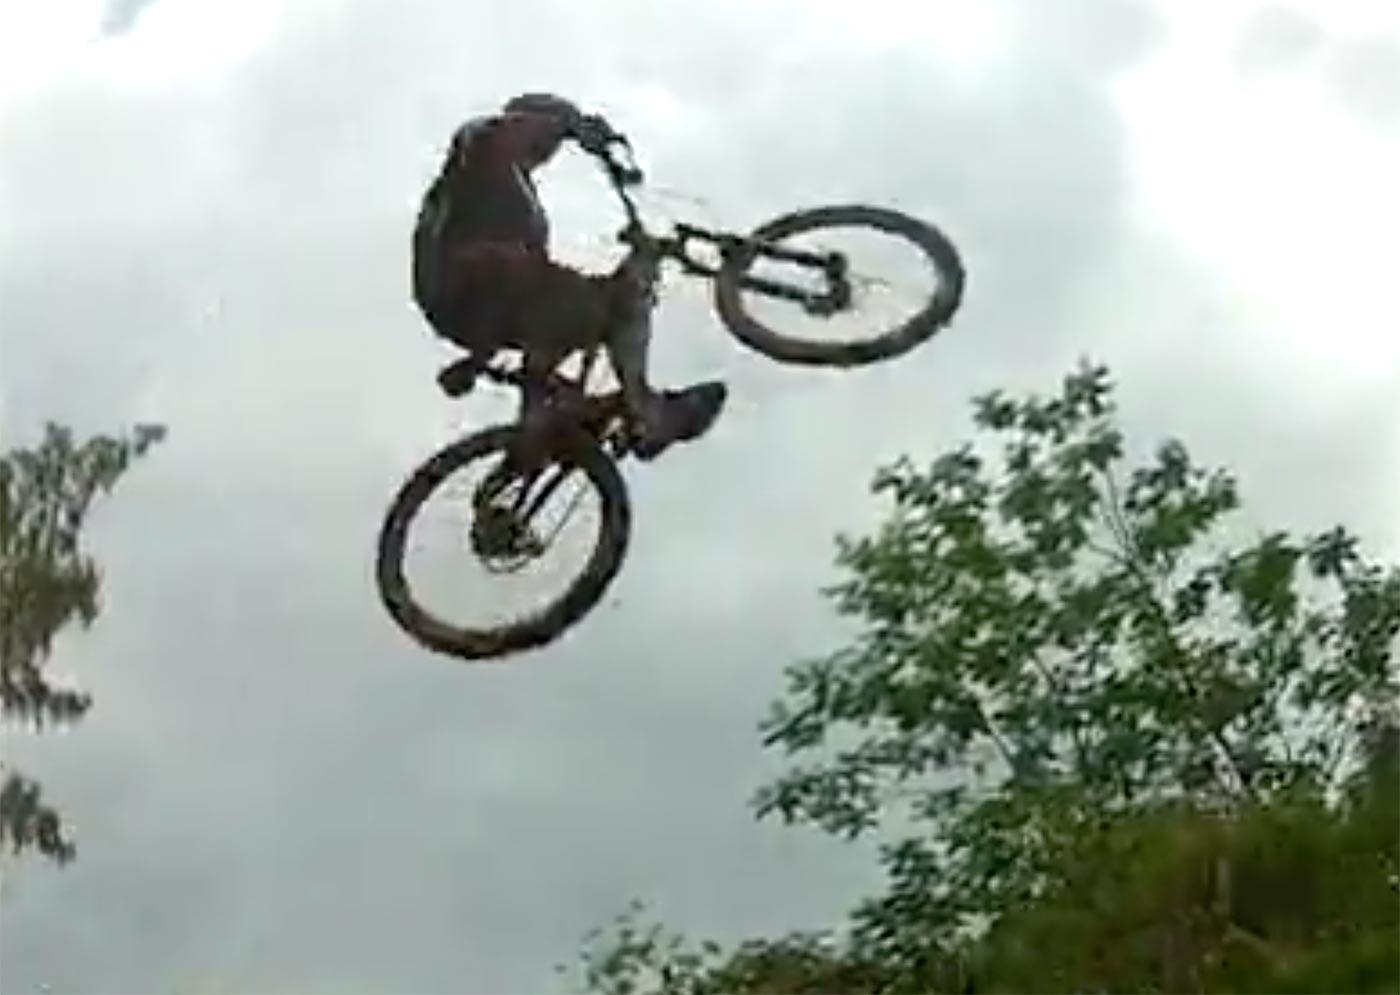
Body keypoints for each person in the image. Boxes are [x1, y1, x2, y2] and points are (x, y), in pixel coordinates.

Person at [411, 92, 726, 460]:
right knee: (620, 298)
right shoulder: (481, 144)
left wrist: (478, 360)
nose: (550, 149)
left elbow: (530, 303)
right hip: (466, 284)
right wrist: (576, 127)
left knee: (572, 312)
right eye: (547, 137)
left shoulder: (518, 198)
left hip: (481, 302)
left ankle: (545, 424)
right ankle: (643, 410)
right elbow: (495, 138)